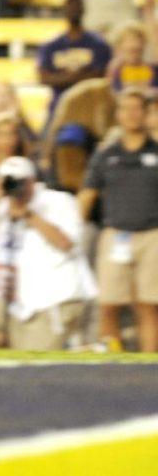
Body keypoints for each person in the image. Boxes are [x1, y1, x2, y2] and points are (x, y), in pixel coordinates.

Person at [0, 156, 96, 350]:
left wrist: (29, 215)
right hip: (12, 299)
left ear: (32, 181)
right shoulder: (0, 206)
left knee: (34, 361)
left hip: (54, 299)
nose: (15, 187)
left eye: (20, 181)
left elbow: (66, 244)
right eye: (9, 181)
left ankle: (75, 349)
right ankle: (19, 342)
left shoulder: (59, 201)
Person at [79, 88, 158, 352]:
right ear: (118, 115)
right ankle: (112, 366)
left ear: (147, 114)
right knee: (109, 304)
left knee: (148, 306)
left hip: (152, 234)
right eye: (126, 108)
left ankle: (151, 367)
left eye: (138, 108)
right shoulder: (105, 155)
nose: (132, 114)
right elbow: (86, 197)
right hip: (116, 234)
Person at [37, 0, 113, 111]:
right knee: (47, 129)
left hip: (90, 105)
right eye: (70, 6)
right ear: (64, 10)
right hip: (59, 105)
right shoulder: (51, 46)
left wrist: (63, 77)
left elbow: (100, 76)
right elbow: (44, 78)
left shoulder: (98, 45)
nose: (73, 10)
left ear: (83, 10)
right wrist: (79, 75)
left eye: (77, 6)